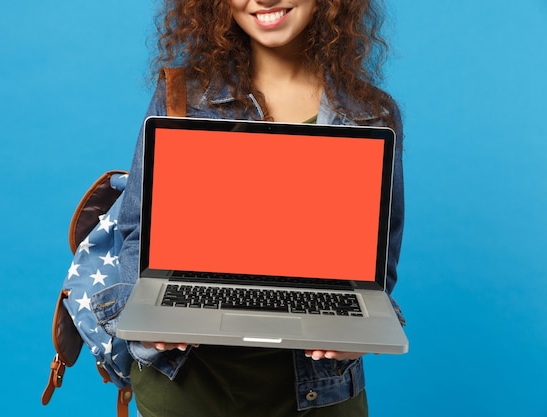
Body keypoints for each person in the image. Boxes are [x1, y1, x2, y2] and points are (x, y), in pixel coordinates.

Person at [115, 0, 405, 415]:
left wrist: (358, 325)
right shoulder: (181, 98)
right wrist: (146, 322)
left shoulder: (372, 115)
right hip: (186, 393)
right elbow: (137, 235)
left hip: (320, 397)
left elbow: (378, 270)